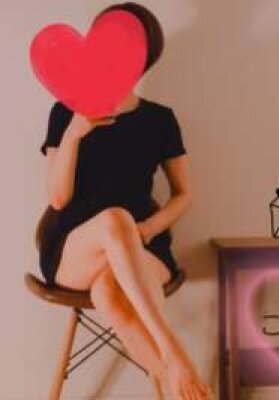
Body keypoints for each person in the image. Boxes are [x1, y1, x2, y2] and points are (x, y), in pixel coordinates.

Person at [35, 3, 213, 400]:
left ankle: (176, 383)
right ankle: (175, 352)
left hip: (143, 246)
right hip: (75, 250)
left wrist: (145, 230)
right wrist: (75, 133)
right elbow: (58, 199)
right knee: (115, 219)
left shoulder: (160, 119)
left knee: (110, 293)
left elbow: (184, 194)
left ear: (142, 56)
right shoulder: (65, 112)